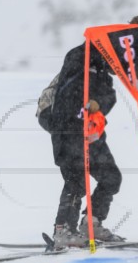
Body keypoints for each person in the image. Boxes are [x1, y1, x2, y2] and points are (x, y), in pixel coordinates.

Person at [48, 32, 127, 249]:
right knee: (76, 180)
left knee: (111, 177)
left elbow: (108, 98)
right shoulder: (78, 57)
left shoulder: (103, 74)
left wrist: (134, 34)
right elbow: (68, 92)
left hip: (92, 133)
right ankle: (63, 230)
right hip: (67, 130)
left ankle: (91, 224)